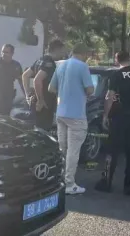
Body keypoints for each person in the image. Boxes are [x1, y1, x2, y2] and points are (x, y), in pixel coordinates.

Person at [95, 51, 130, 195]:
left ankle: (106, 182)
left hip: (119, 118)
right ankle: (129, 186)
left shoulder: (116, 75)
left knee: (112, 150)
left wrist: (105, 116)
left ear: (116, 60)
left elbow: (110, 96)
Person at [48, 43, 94, 195]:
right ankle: (69, 184)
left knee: (63, 148)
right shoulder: (82, 66)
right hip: (76, 115)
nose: (87, 58)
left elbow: (51, 88)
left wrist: (64, 92)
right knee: (73, 150)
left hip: (60, 113)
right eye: (87, 55)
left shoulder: (60, 65)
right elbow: (90, 90)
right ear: (83, 53)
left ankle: (59, 179)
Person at [21, 39, 66, 130]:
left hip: (36, 103)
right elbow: (37, 80)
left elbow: (25, 75)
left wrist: (27, 95)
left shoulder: (40, 60)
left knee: (35, 129)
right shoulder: (49, 63)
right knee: (43, 132)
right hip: (44, 104)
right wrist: (40, 100)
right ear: (57, 49)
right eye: (62, 51)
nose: (63, 54)